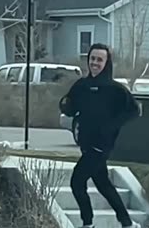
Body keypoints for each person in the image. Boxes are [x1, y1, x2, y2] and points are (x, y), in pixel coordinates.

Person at [60, 43, 141, 228]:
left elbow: (134, 111)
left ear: (107, 62)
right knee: (103, 184)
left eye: (99, 59)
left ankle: (87, 223)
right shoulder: (82, 85)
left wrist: (111, 126)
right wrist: (66, 107)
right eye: (92, 59)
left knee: (77, 181)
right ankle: (127, 223)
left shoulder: (115, 89)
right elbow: (70, 106)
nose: (95, 63)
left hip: (101, 144)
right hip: (86, 143)